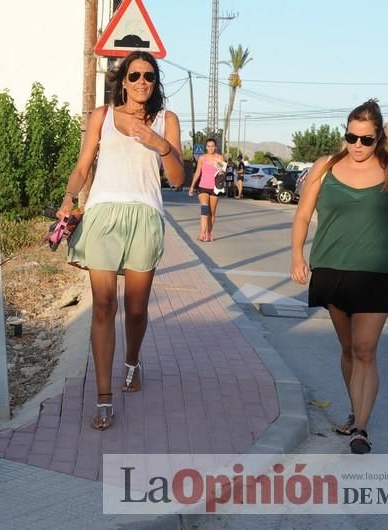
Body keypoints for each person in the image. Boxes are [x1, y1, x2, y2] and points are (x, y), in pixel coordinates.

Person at [56, 51, 184, 430]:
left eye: (149, 76)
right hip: (103, 214)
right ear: (123, 81)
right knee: (103, 306)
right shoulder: (102, 116)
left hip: (145, 215)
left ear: (155, 82)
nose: (142, 82)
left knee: (137, 308)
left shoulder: (166, 120)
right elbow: (83, 166)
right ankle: (104, 397)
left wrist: (159, 144)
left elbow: (177, 179)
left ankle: (132, 361)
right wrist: (67, 199)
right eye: (135, 76)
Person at [290, 99, 388, 454]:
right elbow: (303, 214)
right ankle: (354, 411)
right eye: (352, 137)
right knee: (348, 348)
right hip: (331, 270)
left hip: (377, 272)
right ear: (345, 134)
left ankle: (361, 428)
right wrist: (296, 256)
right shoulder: (325, 167)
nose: (358, 146)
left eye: (366, 139)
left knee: (366, 350)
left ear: (379, 137)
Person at [188, 138, 226, 241]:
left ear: (216, 147)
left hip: (215, 188)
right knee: (204, 211)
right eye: (208, 146)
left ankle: (209, 233)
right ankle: (202, 234)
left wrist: (220, 167)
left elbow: (222, 175)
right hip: (203, 187)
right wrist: (192, 186)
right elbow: (197, 173)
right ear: (206, 147)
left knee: (212, 212)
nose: (210, 148)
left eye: (212, 146)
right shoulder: (202, 158)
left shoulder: (219, 158)